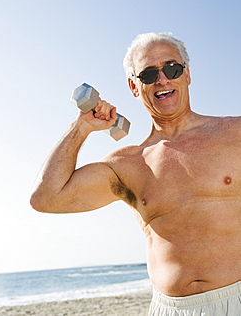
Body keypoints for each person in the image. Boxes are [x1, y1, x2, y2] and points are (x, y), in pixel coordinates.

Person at [30, 32, 241, 315]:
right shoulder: (127, 164)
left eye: (171, 68)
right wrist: (81, 127)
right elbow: (46, 198)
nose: (162, 79)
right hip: (171, 309)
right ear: (134, 86)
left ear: (187, 74)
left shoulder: (234, 133)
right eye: (148, 74)